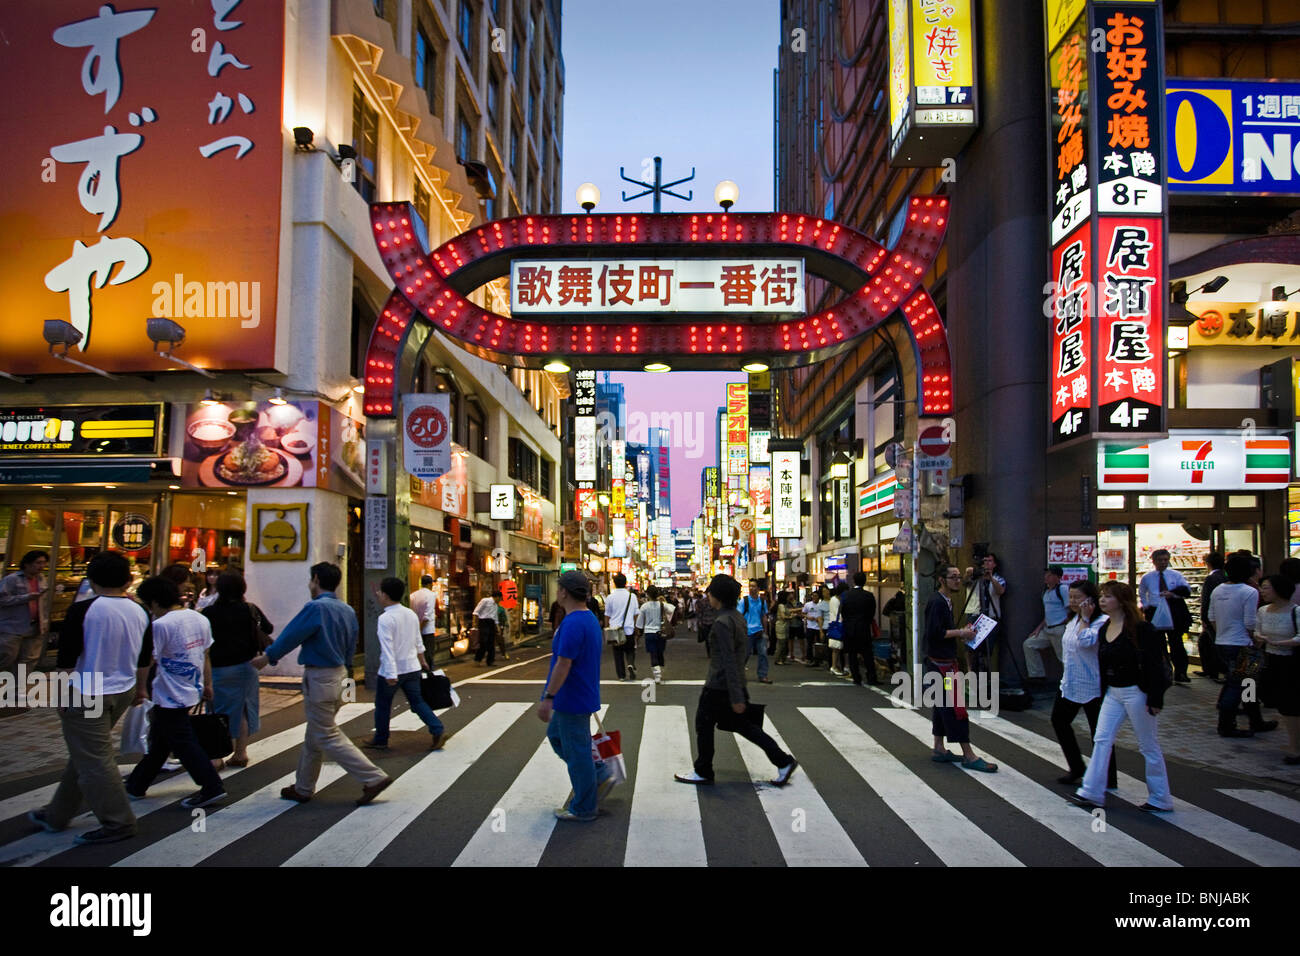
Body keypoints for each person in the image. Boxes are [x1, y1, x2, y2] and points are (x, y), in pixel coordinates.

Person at [30, 551, 149, 845]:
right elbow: (145, 657)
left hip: (87, 689)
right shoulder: (139, 611)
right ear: (128, 579)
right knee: (86, 753)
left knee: (95, 758)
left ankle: (118, 822)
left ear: (91, 579)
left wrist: (62, 693)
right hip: (124, 688)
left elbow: (67, 659)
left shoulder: (83, 610)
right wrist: (142, 688)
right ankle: (57, 813)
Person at [252, 562, 391, 806]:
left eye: (310, 580)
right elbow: (351, 645)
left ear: (315, 579)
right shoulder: (347, 609)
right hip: (339, 674)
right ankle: (304, 787)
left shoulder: (315, 608)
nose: (309, 584)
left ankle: (373, 777)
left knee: (325, 733)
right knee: (315, 734)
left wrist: (267, 656)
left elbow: (291, 635)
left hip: (320, 676)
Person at [675, 574, 798, 787]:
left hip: (719, 685)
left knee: (704, 724)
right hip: (732, 683)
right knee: (744, 726)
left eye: (711, 592)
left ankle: (703, 770)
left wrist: (736, 695)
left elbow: (728, 660)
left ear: (718, 596)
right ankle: (783, 760)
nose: (709, 596)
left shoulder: (722, 622)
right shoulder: (736, 617)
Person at [124, 576, 227, 808]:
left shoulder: (160, 625)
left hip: (169, 692)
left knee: (182, 741)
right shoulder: (199, 618)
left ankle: (212, 786)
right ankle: (137, 784)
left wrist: (140, 688)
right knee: (162, 739)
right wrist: (208, 684)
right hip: (191, 687)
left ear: (153, 602)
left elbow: (148, 660)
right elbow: (205, 654)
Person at [1073, 581, 1173, 812]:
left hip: (1137, 691)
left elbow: (1155, 664)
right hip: (1113, 692)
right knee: (1101, 738)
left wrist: (1155, 698)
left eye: (1108, 596)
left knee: (1148, 744)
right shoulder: (1104, 626)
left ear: (1121, 600)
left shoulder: (1141, 629)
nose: (1102, 600)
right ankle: (1091, 791)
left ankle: (1161, 797)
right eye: (1102, 596)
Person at [539, 570, 614, 822]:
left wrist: (548, 696)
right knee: (557, 737)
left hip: (571, 698)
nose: (557, 592)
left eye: (559, 588)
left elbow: (563, 664)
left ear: (564, 592)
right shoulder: (589, 619)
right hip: (578, 694)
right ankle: (597, 773)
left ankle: (583, 806)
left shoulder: (573, 623)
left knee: (577, 750)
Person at [925, 566, 997, 772]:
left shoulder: (945, 601)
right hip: (941, 665)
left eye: (958, 577)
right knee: (955, 709)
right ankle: (968, 754)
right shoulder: (937, 602)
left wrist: (961, 632)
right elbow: (934, 633)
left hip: (942, 662)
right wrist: (961, 633)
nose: (957, 581)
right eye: (953, 577)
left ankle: (939, 747)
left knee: (942, 707)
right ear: (941, 580)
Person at [363, 577, 446, 752]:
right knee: (417, 701)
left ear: (385, 595)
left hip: (392, 670)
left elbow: (387, 649)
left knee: (383, 704)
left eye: (380, 591)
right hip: (412, 667)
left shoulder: (385, 618)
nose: (378, 594)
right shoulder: (410, 614)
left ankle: (381, 738)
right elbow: (418, 640)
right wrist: (422, 661)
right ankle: (437, 728)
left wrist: (391, 674)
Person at [1050, 579, 1116, 788]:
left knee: (1101, 733)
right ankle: (1077, 767)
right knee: (1059, 721)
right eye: (1070, 597)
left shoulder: (1101, 622)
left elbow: (1087, 641)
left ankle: (1108, 777)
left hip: (1093, 685)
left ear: (1091, 599)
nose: (1073, 601)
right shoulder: (1073, 619)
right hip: (1070, 683)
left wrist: (1086, 619)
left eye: (1077, 597)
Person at [202, 572, 271, 767]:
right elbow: (269, 628)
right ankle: (240, 753)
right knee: (242, 710)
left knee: (216, 712)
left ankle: (216, 756)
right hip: (246, 667)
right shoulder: (249, 609)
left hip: (218, 669)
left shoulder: (209, 613)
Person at [1209, 552, 1276, 737]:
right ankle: (1226, 725)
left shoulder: (1218, 590)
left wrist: (1221, 633)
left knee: (1248, 681)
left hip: (1223, 641)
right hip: (1243, 643)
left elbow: (1211, 617)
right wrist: (1255, 641)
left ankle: (1255, 719)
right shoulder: (1249, 592)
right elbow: (1249, 623)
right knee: (1238, 683)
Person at [1256, 574, 1300, 764]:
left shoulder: (1295, 611)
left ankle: (1295, 747)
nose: (1262, 591)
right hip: (1270, 661)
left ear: (1279, 589)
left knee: (1291, 706)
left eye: (1266, 587)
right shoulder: (1263, 611)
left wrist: (1279, 642)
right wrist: (1261, 639)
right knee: (1281, 704)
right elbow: (1257, 631)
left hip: (1292, 663)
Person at [1138, 549, 1192, 684]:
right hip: (1155, 610)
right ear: (1154, 561)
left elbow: (1186, 590)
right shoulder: (1147, 577)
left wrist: (1173, 594)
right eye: (1160, 560)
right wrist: (1145, 605)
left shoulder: (1176, 575)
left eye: (1165, 560)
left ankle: (1180, 672)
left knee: (1176, 642)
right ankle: (1163, 670)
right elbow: (1142, 591)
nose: (1163, 563)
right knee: (1158, 643)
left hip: (1174, 610)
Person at [0, 549, 49, 677]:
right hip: (12, 626)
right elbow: (2, 599)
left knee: (28, 659)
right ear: (27, 564)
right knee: (7, 657)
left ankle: (16, 690)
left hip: (35, 626)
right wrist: (25, 598)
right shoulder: (12, 579)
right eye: (38, 563)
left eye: (44, 563)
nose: (41, 566)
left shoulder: (41, 579)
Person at [1025, 565, 1070, 682]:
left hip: (1059, 629)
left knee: (1064, 658)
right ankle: (1037, 676)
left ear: (1057, 577)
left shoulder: (1063, 589)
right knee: (1029, 644)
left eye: (1050, 575)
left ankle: (1069, 682)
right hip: (1047, 629)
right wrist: (1038, 628)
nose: (1047, 577)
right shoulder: (1046, 592)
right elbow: (1048, 614)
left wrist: (1063, 623)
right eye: (1046, 574)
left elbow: (1070, 610)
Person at [839, 571, 878, 686]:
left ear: (854, 581)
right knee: (867, 654)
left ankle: (856, 677)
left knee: (852, 654)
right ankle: (871, 677)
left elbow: (843, 612)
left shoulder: (846, 595)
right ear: (865, 581)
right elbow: (872, 613)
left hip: (849, 629)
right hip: (864, 628)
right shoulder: (868, 596)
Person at [603, 572, 639, 681]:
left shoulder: (610, 597)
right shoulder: (632, 596)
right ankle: (630, 664)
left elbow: (607, 615)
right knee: (630, 650)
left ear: (614, 583)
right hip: (629, 629)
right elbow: (636, 613)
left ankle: (621, 675)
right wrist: (636, 627)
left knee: (617, 653)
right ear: (625, 583)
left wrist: (606, 628)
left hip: (615, 630)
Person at [1197, 552, 1226, 680]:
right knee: (1206, 641)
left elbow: (1206, 600)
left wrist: (1204, 618)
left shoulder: (1211, 578)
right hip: (1221, 616)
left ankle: (1214, 671)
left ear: (1208, 564)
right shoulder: (1225, 576)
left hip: (1212, 617)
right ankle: (1211, 670)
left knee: (1210, 642)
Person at [635, 585, 673, 683]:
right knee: (660, 652)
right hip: (661, 632)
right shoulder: (662, 604)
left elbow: (639, 622)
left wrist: (638, 630)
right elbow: (672, 610)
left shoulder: (644, 606)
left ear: (647, 594)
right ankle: (660, 671)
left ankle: (657, 675)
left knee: (653, 654)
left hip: (649, 632)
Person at [741, 580, 772, 684]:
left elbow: (764, 617)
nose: (751, 588)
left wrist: (765, 632)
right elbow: (739, 616)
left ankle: (763, 675)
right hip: (747, 632)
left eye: (754, 586)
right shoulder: (744, 601)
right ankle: (738, 674)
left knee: (763, 654)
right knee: (745, 654)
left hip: (759, 631)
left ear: (758, 588)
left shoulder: (762, 602)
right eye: (750, 586)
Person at [408, 574, 437, 659]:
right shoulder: (431, 595)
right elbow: (426, 616)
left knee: (417, 653)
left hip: (415, 628)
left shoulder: (413, 595)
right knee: (428, 654)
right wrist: (419, 629)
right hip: (427, 630)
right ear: (429, 584)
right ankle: (428, 670)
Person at [472, 589, 499, 667]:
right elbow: (476, 611)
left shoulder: (496, 605)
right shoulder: (485, 601)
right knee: (483, 641)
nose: (500, 600)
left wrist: (497, 627)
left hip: (492, 623)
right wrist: (475, 623)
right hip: (483, 622)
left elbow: (495, 617)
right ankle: (478, 659)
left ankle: (490, 661)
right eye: (500, 598)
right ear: (497, 597)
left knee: (491, 642)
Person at [803, 586, 825, 667]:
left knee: (819, 644)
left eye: (816, 596)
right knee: (810, 643)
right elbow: (803, 613)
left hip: (819, 627)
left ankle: (819, 659)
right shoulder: (808, 605)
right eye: (813, 596)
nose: (814, 597)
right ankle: (809, 658)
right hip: (810, 627)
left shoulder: (821, 605)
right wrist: (808, 617)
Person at [773, 590, 794, 664]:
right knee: (781, 643)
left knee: (783, 643)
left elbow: (790, 611)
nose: (789, 597)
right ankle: (778, 659)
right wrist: (790, 617)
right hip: (781, 626)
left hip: (783, 626)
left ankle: (782, 659)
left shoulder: (783, 605)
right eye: (788, 596)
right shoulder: (781, 606)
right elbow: (783, 616)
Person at [696, 588, 718, 653]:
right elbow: (699, 612)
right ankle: (709, 651)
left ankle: (711, 651)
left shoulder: (715, 601)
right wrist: (699, 621)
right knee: (707, 638)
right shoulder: (702, 601)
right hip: (706, 622)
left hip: (712, 621)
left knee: (712, 637)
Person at [495, 592, 511, 661]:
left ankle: (504, 654)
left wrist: (506, 625)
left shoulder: (500, 608)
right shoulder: (495, 608)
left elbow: (504, 618)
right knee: (496, 640)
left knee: (500, 640)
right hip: (492, 625)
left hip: (499, 626)